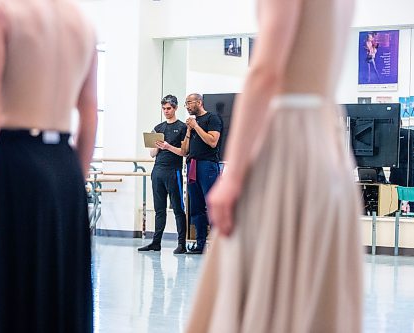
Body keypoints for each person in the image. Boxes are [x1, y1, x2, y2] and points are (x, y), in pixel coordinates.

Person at [185, 0, 362, 332]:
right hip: (326, 140)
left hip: (287, 138)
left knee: (254, 272)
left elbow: (266, 72)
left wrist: (234, 172)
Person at [0, 0, 97, 332]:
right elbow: (89, 111)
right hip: (65, 164)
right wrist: (72, 180)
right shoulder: (82, 24)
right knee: (61, 286)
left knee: (9, 286)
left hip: (15, 162)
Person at [138, 95, 188, 254]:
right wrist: (158, 146)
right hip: (158, 171)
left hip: (174, 172)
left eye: (169, 108)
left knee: (178, 209)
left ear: (175, 108)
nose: (166, 111)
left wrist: (168, 146)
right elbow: (152, 154)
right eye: (164, 109)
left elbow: (184, 152)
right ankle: (156, 242)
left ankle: (182, 244)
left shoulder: (182, 128)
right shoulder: (158, 128)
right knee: (159, 210)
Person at [181, 93, 222, 255]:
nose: (187, 106)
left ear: (199, 102)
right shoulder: (190, 125)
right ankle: (200, 244)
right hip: (192, 164)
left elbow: (212, 142)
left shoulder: (212, 118)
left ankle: (219, 244)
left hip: (207, 165)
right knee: (196, 207)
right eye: (186, 104)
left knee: (212, 205)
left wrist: (196, 126)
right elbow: (185, 151)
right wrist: (189, 130)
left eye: (189, 103)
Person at [389, 126, 414, 212]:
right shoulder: (411, 133)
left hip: (396, 170)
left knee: (394, 200)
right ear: (401, 122)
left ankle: (395, 218)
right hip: (412, 169)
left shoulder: (389, 134)